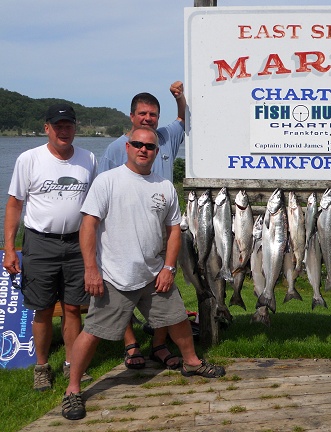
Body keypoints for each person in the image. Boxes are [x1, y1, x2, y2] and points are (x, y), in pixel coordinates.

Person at [62, 126, 225, 421]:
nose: (143, 150)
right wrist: (91, 269)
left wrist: (169, 267)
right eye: (137, 144)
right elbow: (88, 226)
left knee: (177, 319)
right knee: (94, 332)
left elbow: (174, 230)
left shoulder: (164, 187)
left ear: (156, 152)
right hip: (114, 276)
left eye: (149, 146)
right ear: (127, 146)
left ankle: (191, 362)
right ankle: (72, 390)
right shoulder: (106, 182)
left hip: (153, 273)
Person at [3, 104, 96, 391]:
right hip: (40, 243)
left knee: (72, 307)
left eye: (69, 125)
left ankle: (71, 363)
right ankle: (42, 367)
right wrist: (9, 248)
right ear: (47, 128)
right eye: (58, 126)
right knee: (42, 309)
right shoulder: (29, 159)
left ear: (75, 127)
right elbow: (15, 204)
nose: (64, 131)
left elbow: (94, 204)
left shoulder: (88, 158)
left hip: (76, 242)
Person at [99, 81, 186, 370]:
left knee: (165, 287)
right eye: (143, 114)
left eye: (153, 114)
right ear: (132, 116)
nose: (148, 119)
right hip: (125, 232)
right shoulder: (114, 149)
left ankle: (159, 345)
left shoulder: (165, 137)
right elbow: (101, 194)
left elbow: (182, 120)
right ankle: (131, 345)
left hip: (162, 228)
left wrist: (179, 98)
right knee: (121, 290)